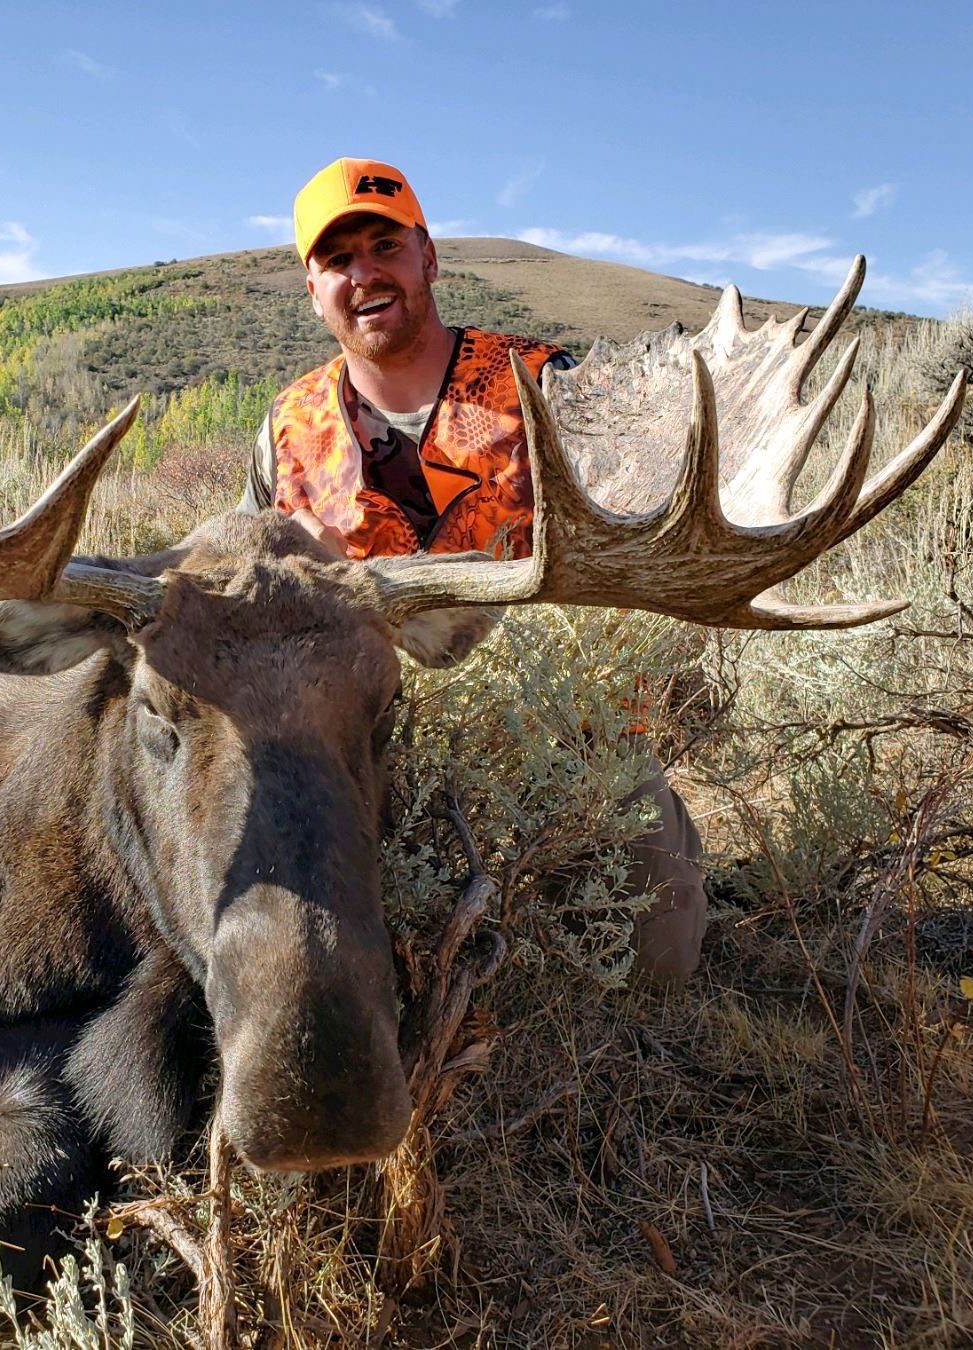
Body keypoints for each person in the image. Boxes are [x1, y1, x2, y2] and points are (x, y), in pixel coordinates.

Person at [240, 157, 706, 984]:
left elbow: (648, 558)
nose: (364, 274)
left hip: (571, 728)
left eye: (385, 246)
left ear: (428, 256)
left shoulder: (550, 386)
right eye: (338, 259)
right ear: (313, 290)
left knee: (658, 972)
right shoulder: (287, 430)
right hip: (374, 745)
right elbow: (251, 615)